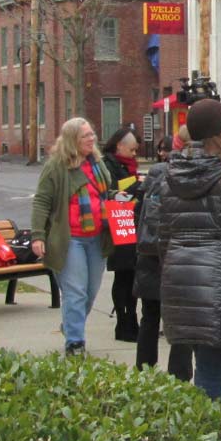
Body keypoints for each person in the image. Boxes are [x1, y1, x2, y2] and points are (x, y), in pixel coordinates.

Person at [159, 99, 221, 401]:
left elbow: (162, 232)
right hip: (220, 280)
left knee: (205, 370)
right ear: (220, 130)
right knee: (212, 376)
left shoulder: (169, 173)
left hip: (178, 277)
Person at [30, 117, 116, 356]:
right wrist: (38, 236)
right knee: (75, 292)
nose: (91, 139)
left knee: (90, 291)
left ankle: (70, 324)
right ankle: (75, 342)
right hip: (70, 239)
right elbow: (41, 202)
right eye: (85, 136)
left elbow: (104, 194)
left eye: (91, 134)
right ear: (71, 141)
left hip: (97, 237)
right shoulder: (56, 166)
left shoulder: (97, 162)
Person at [134, 126, 193, 379]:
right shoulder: (197, 174)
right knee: (181, 322)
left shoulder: (157, 172)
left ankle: (144, 371)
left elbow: (141, 211)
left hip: (151, 251)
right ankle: (178, 377)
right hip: (181, 254)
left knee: (149, 316)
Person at [101, 127, 142, 343]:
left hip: (129, 220)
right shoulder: (109, 165)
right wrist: (135, 188)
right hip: (119, 221)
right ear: (120, 146)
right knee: (123, 274)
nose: (135, 154)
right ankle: (124, 322)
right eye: (132, 150)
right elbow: (113, 192)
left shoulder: (125, 165)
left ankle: (130, 319)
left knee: (131, 274)